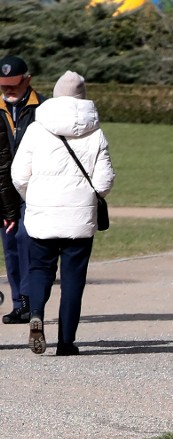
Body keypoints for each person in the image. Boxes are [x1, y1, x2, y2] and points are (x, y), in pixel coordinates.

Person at [11, 71, 115, 356]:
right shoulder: (95, 132)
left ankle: (35, 313)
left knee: (38, 269)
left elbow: (19, 174)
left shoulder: (36, 128)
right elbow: (104, 181)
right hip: (79, 218)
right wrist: (88, 194)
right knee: (73, 280)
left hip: (41, 214)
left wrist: (32, 197)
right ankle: (66, 342)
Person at [0, 55, 44, 325]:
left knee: (26, 238)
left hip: (33, 186)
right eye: (4, 85)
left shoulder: (44, 107)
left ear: (27, 80)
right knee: (10, 242)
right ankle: (19, 303)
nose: (8, 90)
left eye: (14, 85)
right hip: (2, 186)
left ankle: (30, 299)